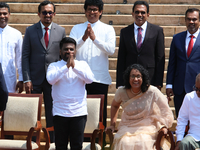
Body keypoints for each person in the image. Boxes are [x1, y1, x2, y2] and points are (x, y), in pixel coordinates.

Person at [69, 0, 116, 142]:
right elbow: (70, 48)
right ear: (85, 11)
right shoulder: (76, 28)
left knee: (98, 115)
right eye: (89, 9)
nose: (92, 12)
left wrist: (94, 39)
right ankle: (79, 142)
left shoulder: (108, 29)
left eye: (95, 9)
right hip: (79, 78)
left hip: (99, 79)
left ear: (100, 11)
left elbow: (111, 50)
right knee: (78, 113)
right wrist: (84, 38)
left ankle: (98, 143)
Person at [22, 0, 66, 142]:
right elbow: (25, 56)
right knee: (33, 113)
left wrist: (61, 77)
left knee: (52, 113)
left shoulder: (61, 31)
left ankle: (52, 142)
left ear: (54, 14)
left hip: (53, 80)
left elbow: (62, 56)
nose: (47, 15)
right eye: (44, 12)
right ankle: (33, 142)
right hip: (34, 79)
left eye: (50, 12)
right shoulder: (30, 30)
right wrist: (27, 79)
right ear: (39, 14)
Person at [106, 64, 174, 150]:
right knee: (124, 142)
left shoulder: (152, 91)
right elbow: (114, 105)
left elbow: (165, 109)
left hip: (147, 126)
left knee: (144, 142)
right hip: (127, 126)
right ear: (128, 78)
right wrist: (112, 124)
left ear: (143, 78)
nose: (135, 79)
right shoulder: (121, 92)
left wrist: (163, 125)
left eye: (138, 76)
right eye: (132, 76)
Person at [46, 37, 94, 149]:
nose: (69, 51)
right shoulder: (54, 66)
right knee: (61, 146)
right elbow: (50, 80)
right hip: (60, 113)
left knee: (76, 146)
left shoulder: (82, 65)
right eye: (66, 49)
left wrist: (74, 67)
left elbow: (90, 79)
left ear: (75, 51)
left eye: (72, 49)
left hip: (78, 112)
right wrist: (66, 67)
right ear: (60, 52)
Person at [116, 0, 165, 90]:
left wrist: (158, 83)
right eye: (137, 12)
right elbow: (121, 59)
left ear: (148, 14)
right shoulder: (125, 31)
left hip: (150, 79)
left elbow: (160, 58)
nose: (139, 15)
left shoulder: (157, 31)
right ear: (132, 13)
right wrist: (120, 83)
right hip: (130, 80)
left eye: (143, 12)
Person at [166, 8, 200, 117]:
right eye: (188, 19)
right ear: (185, 20)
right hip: (179, 88)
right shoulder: (177, 38)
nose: (191, 22)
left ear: (199, 21)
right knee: (181, 119)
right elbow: (172, 63)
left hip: (198, 88)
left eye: (194, 19)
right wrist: (169, 84)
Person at [0, 2, 23, 93]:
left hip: (9, 78)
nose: (2, 16)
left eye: (5, 13)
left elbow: (20, 58)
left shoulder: (16, 34)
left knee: (9, 105)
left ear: (9, 15)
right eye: (0, 14)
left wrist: (21, 79)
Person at [175, 73, 200, 150]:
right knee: (184, 143)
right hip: (194, 137)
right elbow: (182, 119)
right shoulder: (189, 97)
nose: (198, 92)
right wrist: (179, 139)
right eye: (196, 88)